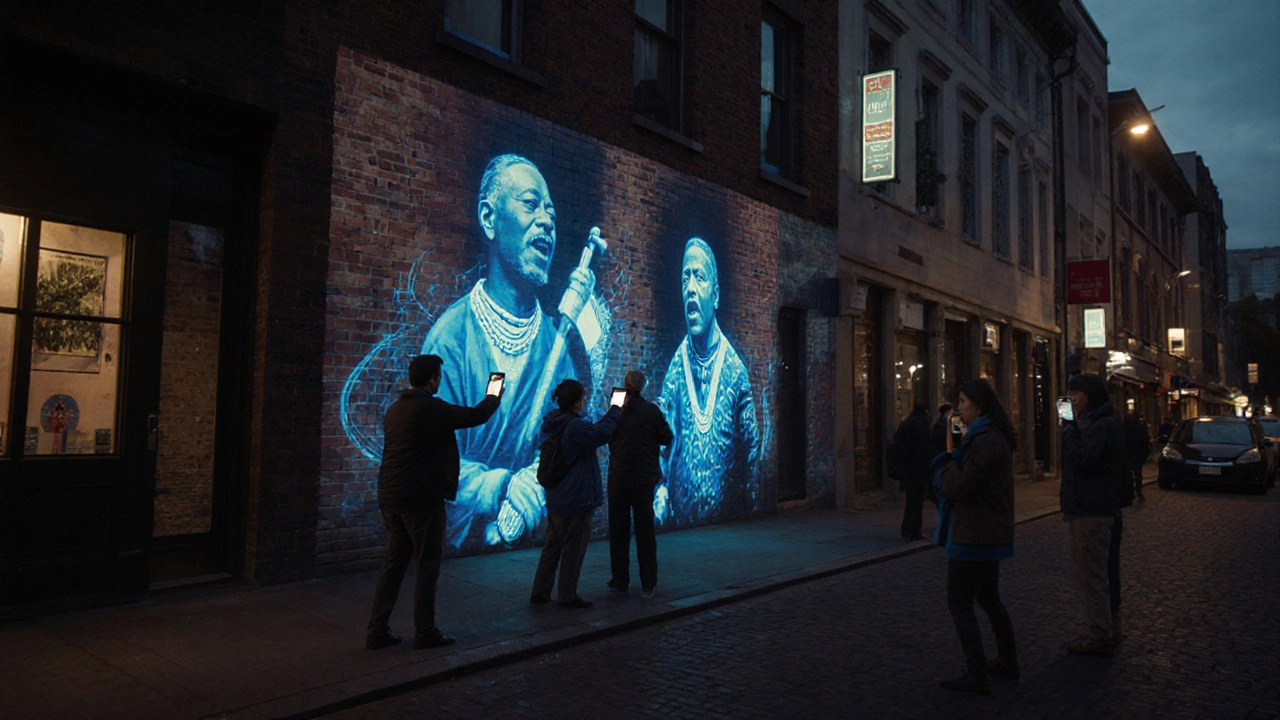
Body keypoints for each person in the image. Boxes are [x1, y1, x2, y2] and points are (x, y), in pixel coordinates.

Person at [419, 154, 599, 551]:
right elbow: (431, 459)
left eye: (551, 211)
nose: (547, 221)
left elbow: (566, 439)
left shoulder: (554, 349)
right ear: (489, 219)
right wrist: (501, 487)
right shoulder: (451, 340)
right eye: (531, 204)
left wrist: (539, 477)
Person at [366, 354, 501, 650]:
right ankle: (426, 632)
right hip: (422, 500)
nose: (440, 380)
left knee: (393, 565)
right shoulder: (431, 409)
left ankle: (377, 629)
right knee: (428, 567)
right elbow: (475, 416)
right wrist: (494, 395)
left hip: (391, 496)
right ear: (432, 379)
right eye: (439, 375)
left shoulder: (395, 410)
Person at [657, 238, 760, 526]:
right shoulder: (676, 369)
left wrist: (751, 510)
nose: (690, 287)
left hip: (728, 524)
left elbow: (752, 450)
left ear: (715, 296)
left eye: (698, 277)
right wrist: (660, 489)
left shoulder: (735, 371)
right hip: (679, 523)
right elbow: (661, 438)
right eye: (685, 278)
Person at [931, 379, 1019, 696]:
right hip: (984, 531)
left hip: (976, 534)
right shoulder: (984, 437)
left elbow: (961, 485)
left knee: (960, 601)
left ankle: (976, 671)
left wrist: (945, 465)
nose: (958, 409)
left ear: (979, 406)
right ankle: (1007, 659)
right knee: (988, 597)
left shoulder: (986, 442)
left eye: (964, 402)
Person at [531, 379, 622, 608]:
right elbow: (601, 434)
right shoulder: (574, 427)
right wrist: (615, 410)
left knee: (552, 548)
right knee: (573, 550)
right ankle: (567, 595)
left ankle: (540, 591)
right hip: (575, 499)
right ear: (577, 401)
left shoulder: (553, 423)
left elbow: (592, 431)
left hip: (556, 497)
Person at [1060, 373, 1132, 658]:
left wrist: (1068, 430)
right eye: (1070, 393)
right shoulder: (1102, 421)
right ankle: (1110, 627)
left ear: (1090, 395)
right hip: (1102, 507)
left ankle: (1101, 632)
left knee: (1091, 572)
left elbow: (1081, 459)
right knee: (1105, 570)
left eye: (1076, 393)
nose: (1072, 398)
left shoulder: (1101, 425)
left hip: (1092, 510)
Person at [606, 370, 674, 598]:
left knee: (618, 531)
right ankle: (648, 583)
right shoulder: (651, 411)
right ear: (643, 386)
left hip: (618, 477)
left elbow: (606, 433)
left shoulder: (616, 410)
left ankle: (620, 580)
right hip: (643, 479)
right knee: (645, 532)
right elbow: (667, 437)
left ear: (625, 385)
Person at [887, 401, 932, 540]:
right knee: (916, 501)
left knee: (912, 500)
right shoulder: (922, 424)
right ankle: (913, 530)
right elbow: (924, 449)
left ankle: (907, 529)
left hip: (907, 468)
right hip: (917, 469)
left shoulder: (907, 422)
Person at [1122, 412, 1151, 500]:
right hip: (1137, 454)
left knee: (1128, 473)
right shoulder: (1140, 427)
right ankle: (1138, 490)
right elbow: (1145, 441)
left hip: (1127, 454)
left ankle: (1129, 491)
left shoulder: (1123, 427)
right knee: (1138, 473)